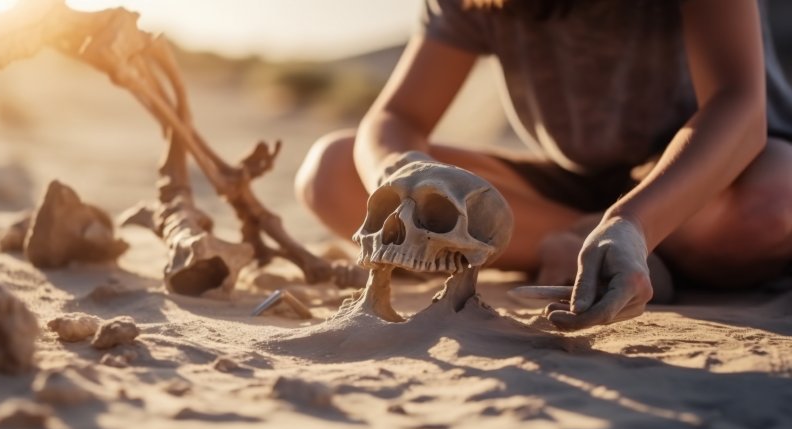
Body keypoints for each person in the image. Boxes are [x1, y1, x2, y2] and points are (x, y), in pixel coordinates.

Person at [295, 0, 792, 330]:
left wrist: (634, 223)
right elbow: (399, 116)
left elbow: (739, 108)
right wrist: (401, 170)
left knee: (773, 204)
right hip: (575, 187)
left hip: (718, 172)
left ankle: (624, 244)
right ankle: (589, 245)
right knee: (334, 171)